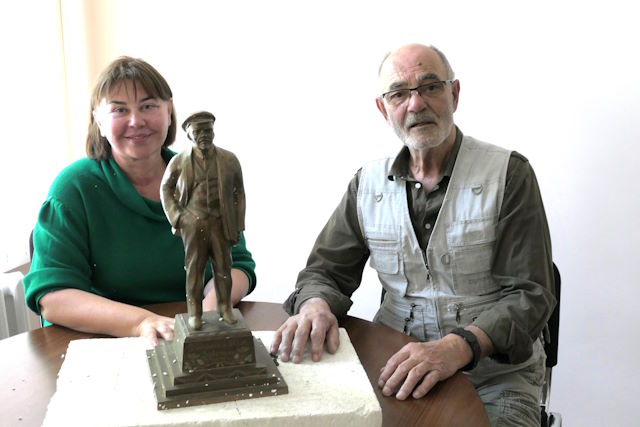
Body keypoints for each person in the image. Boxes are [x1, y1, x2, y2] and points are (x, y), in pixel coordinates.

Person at [271, 43, 556, 426]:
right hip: (395, 368)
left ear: (453, 94)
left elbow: (530, 295)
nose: (416, 104)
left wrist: (457, 347)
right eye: (399, 94)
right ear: (383, 108)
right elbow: (325, 271)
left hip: (494, 379)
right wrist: (316, 305)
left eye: (430, 87)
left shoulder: (509, 174)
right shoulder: (366, 185)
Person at [23, 57, 256, 346]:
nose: (137, 121)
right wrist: (142, 322)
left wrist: (208, 311)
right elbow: (53, 297)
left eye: (148, 106)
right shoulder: (73, 187)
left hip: (188, 338)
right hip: (104, 345)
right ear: (98, 119)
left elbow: (239, 265)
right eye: (119, 109)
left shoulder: (206, 173)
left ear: (169, 113)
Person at [160, 111, 245, 329]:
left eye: (207, 130)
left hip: (220, 223)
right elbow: (166, 188)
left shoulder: (229, 160)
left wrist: (238, 224)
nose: (204, 135)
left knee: (224, 268)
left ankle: (225, 308)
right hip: (193, 223)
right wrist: (178, 217)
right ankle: (195, 314)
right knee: (194, 270)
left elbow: (239, 194)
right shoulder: (179, 161)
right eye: (198, 132)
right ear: (189, 135)